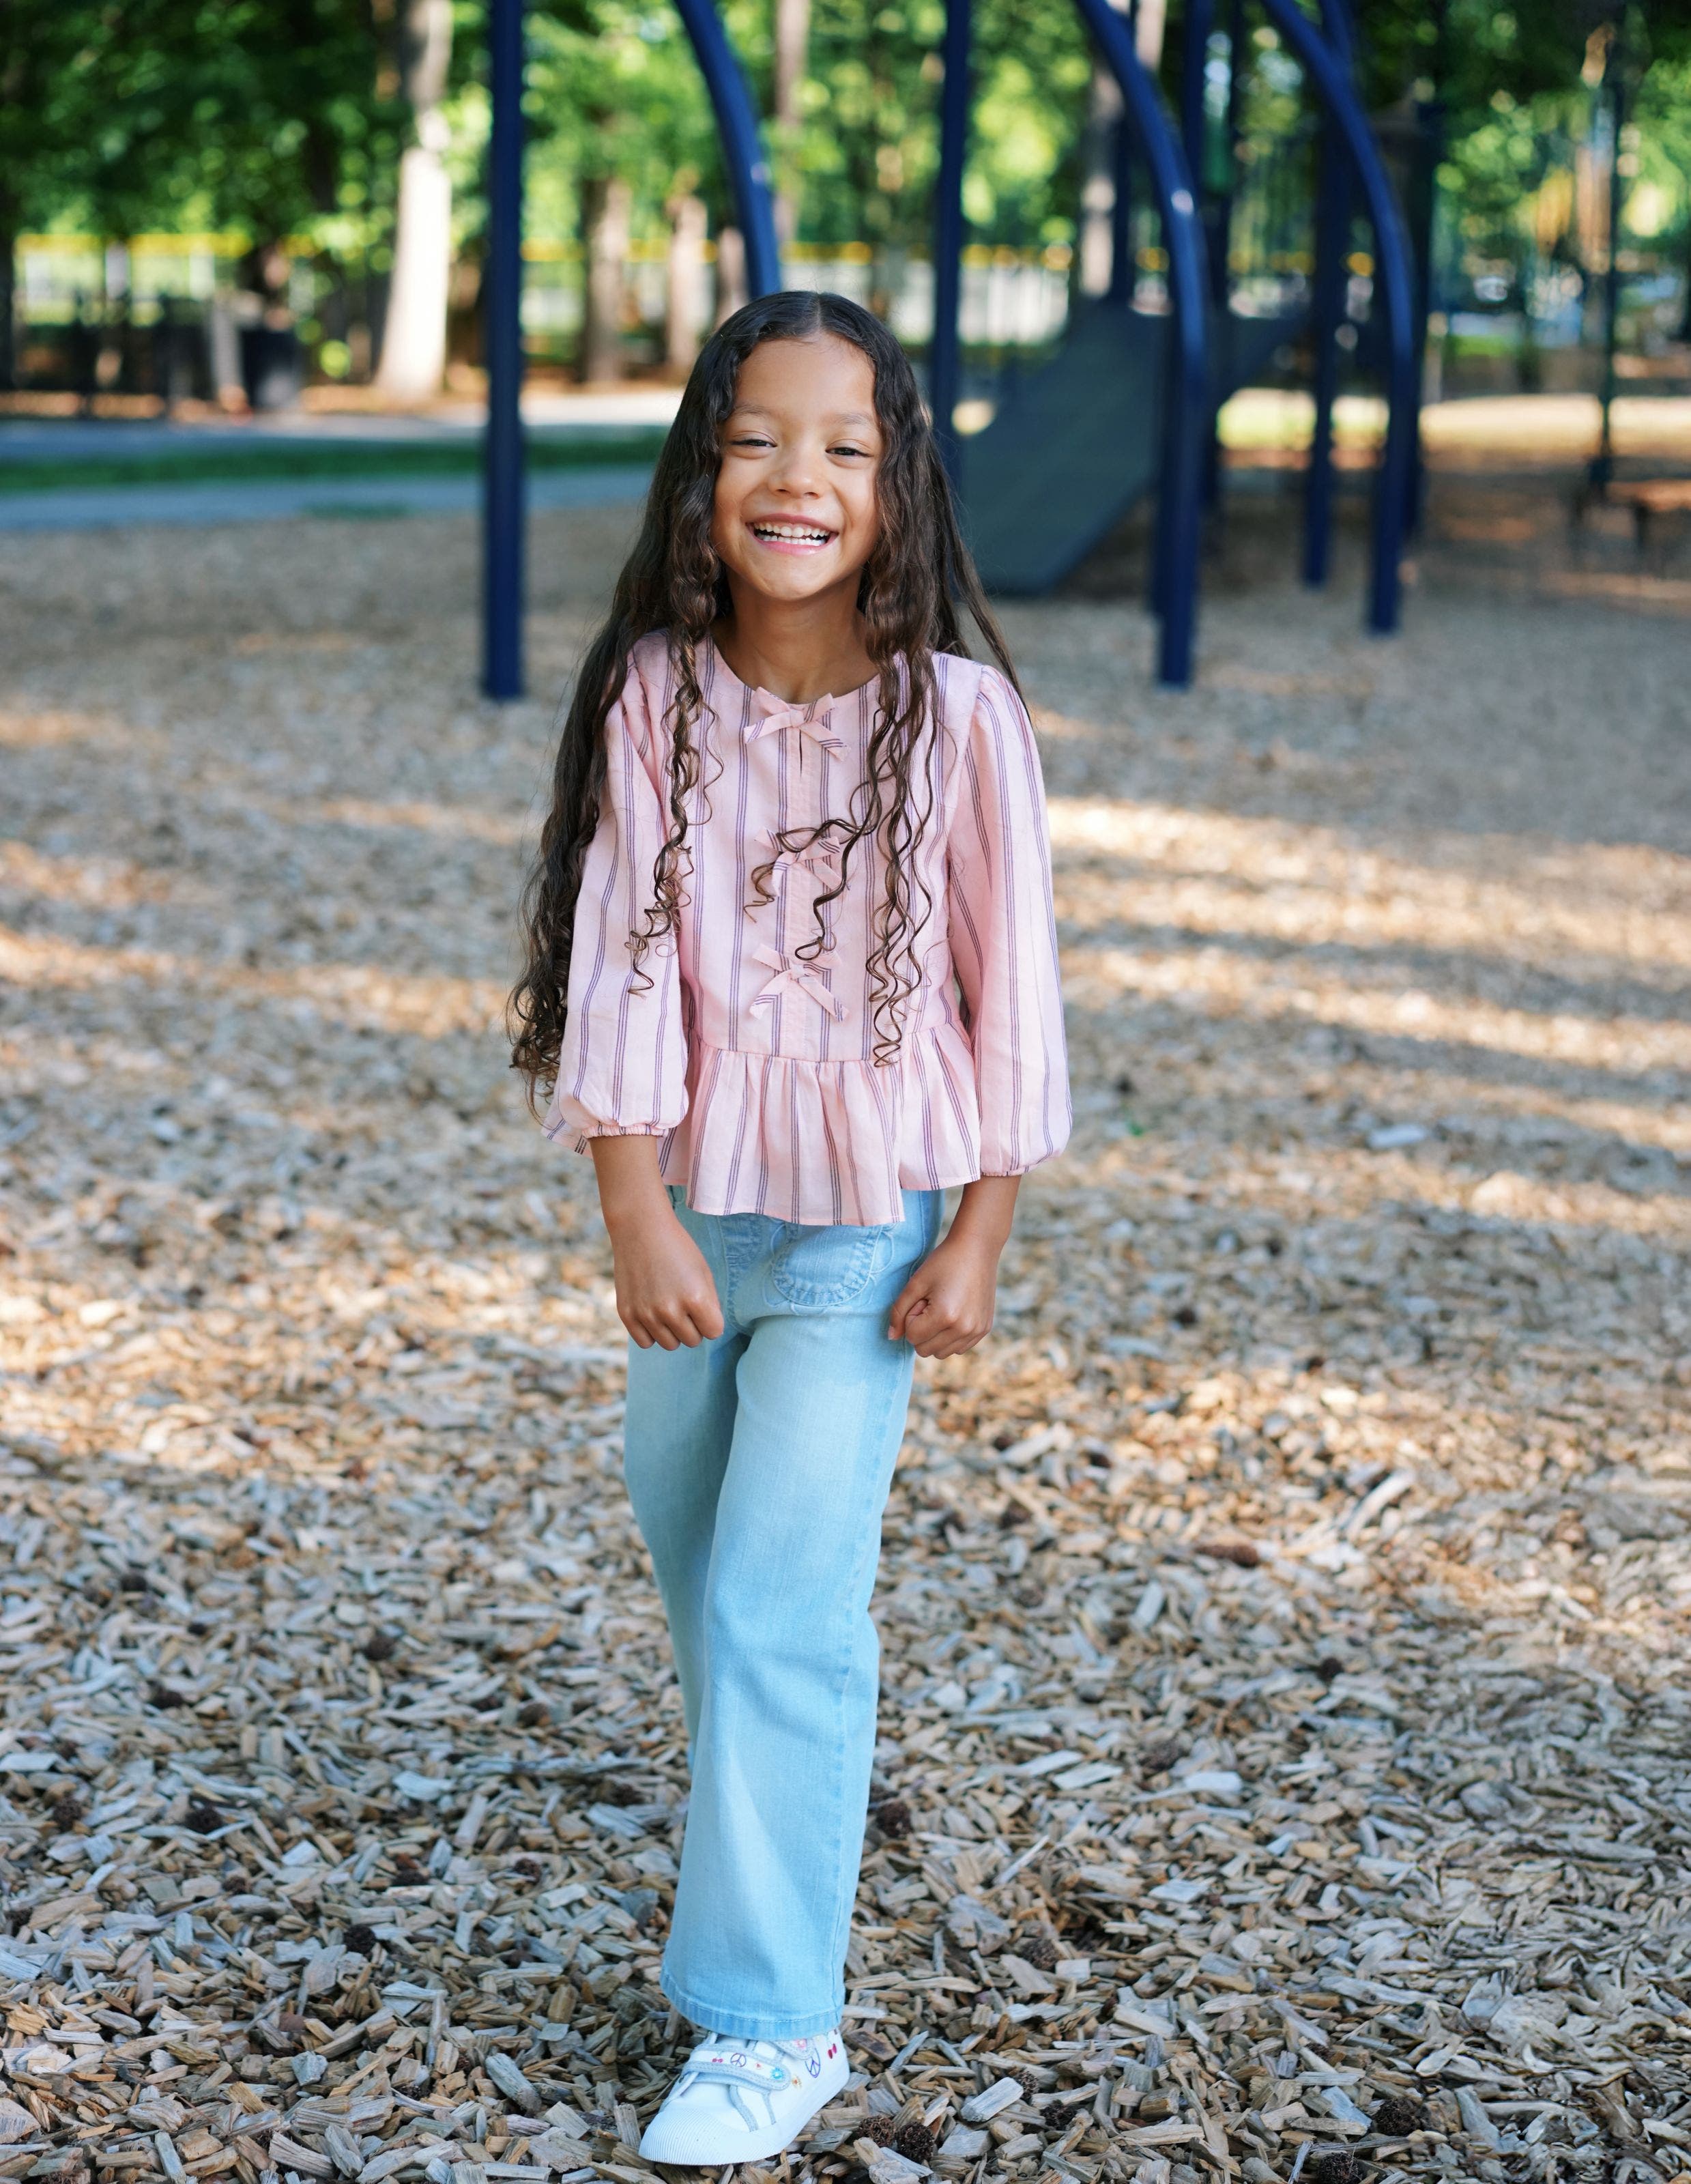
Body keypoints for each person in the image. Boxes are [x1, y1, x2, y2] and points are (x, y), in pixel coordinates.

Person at [510, 289, 1070, 2165]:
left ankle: (771, 2026)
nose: (798, 478)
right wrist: (631, 1212)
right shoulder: (657, 694)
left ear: (897, 482)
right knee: (705, 1574)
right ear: (703, 471)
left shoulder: (964, 719)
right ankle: (780, 1835)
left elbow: (1017, 996)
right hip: (696, 1223)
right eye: (759, 439)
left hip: (869, 1237)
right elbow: (618, 962)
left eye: (844, 446)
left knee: (777, 1606)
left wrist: (978, 1232)